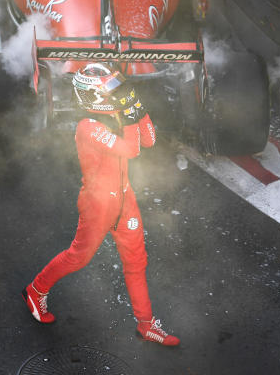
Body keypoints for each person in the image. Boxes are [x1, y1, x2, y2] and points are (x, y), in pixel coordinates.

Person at [23, 63, 180, 346]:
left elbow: (150, 140)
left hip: (124, 200)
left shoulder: (118, 115)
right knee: (77, 257)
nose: (118, 94)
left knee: (136, 262)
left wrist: (138, 109)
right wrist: (131, 115)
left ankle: (146, 325)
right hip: (97, 205)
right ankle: (36, 290)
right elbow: (131, 149)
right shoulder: (87, 127)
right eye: (112, 90)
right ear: (92, 97)